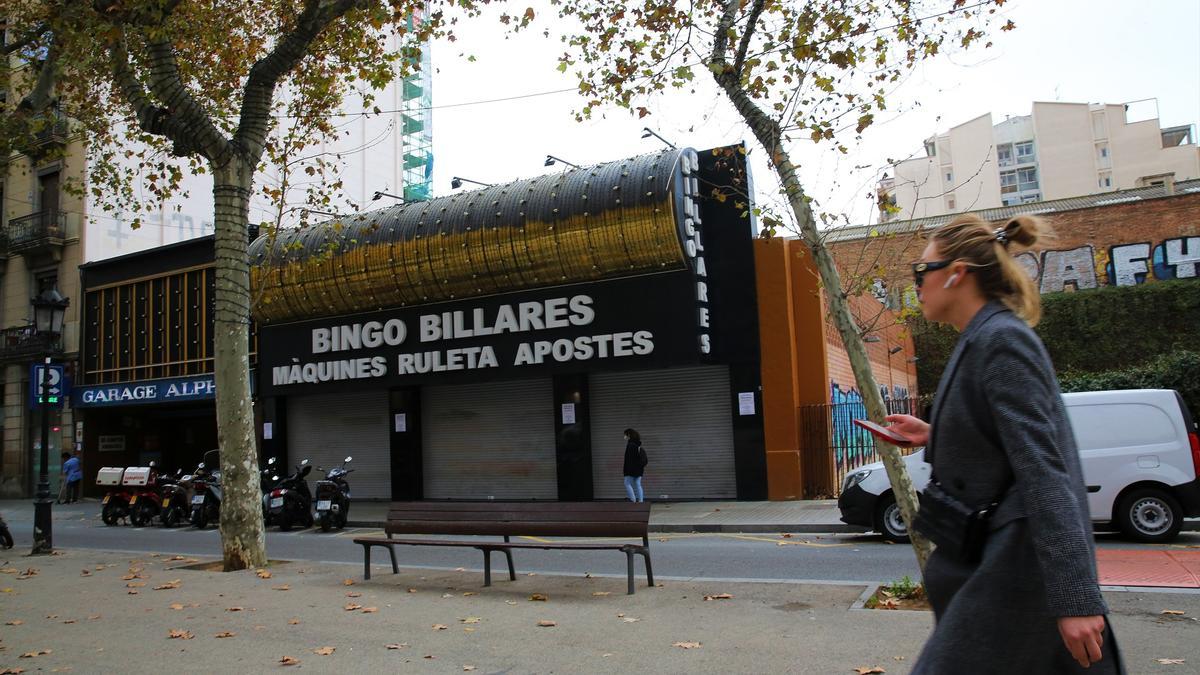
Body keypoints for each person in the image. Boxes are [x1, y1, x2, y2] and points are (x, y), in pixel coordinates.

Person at [885, 214, 1123, 673]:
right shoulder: (981, 338)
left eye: (922, 271)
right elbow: (1003, 447)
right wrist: (935, 435)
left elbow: (1046, 469)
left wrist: (1075, 597)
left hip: (1016, 573)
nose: (917, 283)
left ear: (957, 273)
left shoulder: (1003, 340)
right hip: (996, 567)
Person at [622, 428, 647, 503]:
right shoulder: (637, 445)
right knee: (638, 484)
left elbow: (629, 459)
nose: (624, 436)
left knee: (627, 483)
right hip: (639, 469)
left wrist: (627, 470)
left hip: (631, 469)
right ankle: (641, 501)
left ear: (629, 435)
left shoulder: (630, 445)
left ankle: (633, 500)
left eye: (625, 434)